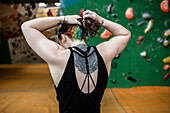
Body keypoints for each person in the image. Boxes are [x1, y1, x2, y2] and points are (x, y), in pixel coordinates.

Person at [21, 10, 131, 113]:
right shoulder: (104, 52)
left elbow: (27, 27)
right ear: (84, 36)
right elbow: (125, 34)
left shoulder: (58, 55)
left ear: (62, 38)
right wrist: (100, 20)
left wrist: (64, 18)